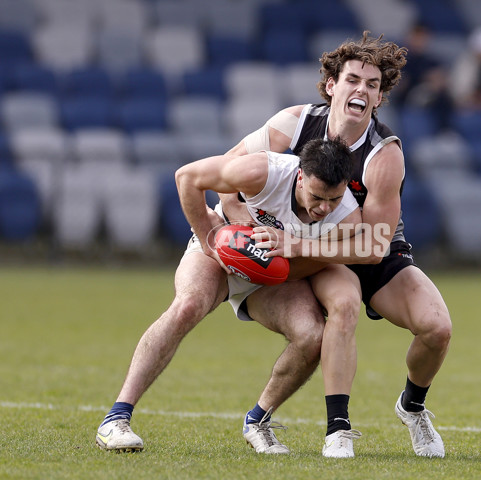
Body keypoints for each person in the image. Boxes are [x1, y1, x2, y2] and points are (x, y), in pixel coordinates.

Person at [221, 30, 452, 458]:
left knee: (437, 328)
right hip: (316, 247)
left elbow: (376, 243)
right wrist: (237, 222)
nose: (361, 89)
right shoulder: (293, 122)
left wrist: (295, 245)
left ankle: (413, 407)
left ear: (380, 98)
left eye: (372, 85)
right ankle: (338, 430)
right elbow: (228, 169)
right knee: (343, 307)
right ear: (332, 85)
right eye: (353, 80)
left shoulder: (386, 154)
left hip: (365, 247)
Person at [95, 137, 364, 458]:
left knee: (312, 336)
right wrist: (210, 241)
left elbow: (361, 250)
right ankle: (116, 419)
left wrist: (293, 249)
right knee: (187, 306)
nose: (324, 208)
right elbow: (187, 177)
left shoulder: (347, 217)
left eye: (333, 200)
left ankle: (258, 420)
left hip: (275, 274)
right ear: (301, 176)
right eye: (317, 197)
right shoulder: (264, 171)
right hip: (223, 249)